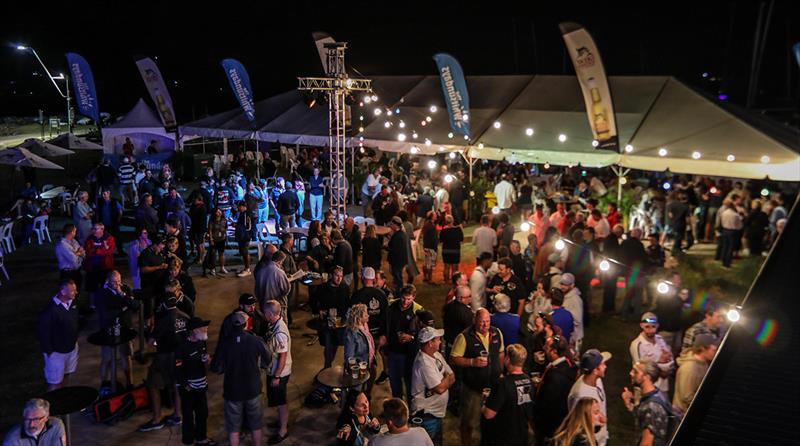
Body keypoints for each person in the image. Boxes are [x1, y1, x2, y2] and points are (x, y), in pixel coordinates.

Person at [211, 311, 270, 446]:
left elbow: (216, 367)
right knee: (256, 425)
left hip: (233, 391)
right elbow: (268, 357)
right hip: (253, 389)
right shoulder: (255, 340)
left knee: (233, 429)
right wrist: (261, 367)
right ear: (246, 325)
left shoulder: (225, 343)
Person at [450, 308, 505, 446]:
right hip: (473, 389)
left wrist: (501, 371)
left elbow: (501, 353)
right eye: (481, 322)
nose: (485, 325)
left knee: (490, 421)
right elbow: (454, 358)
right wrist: (471, 362)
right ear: (475, 321)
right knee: (468, 422)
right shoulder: (464, 336)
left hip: (493, 387)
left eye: (487, 321)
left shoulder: (496, 333)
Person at [481, 344, 535, 446]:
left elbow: (489, 414)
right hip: (522, 435)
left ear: (508, 359)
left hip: (504, 437)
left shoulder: (503, 384)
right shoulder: (529, 381)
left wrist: (484, 403)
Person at [175, 317, 216, 446]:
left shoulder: (201, 342)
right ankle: (188, 441)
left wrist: (207, 362)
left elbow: (205, 365)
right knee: (188, 416)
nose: (206, 329)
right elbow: (177, 368)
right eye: (203, 327)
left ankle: (201, 438)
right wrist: (186, 386)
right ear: (194, 330)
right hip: (188, 388)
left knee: (202, 414)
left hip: (201, 386)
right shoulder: (182, 347)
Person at [410, 327, 454, 446]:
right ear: (430, 343)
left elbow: (452, 376)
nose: (440, 342)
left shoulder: (437, 355)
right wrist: (446, 379)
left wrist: (444, 381)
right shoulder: (423, 363)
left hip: (436, 412)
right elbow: (439, 389)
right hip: (427, 414)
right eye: (438, 339)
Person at [533, 334, 578, 445]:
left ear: (554, 352)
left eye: (547, 347)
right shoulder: (569, 364)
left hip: (550, 428)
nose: (543, 348)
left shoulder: (555, 376)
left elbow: (546, 406)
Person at [96, 270, 137, 389]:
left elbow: (135, 305)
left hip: (125, 328)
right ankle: (104, 384)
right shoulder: (102, 293)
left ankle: (130, 383)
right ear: (108, 281)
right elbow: (106, 314)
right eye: (114, 282)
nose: (117, 284)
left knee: (126, 355)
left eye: (119, 281)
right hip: (108, 329)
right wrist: (123, 309)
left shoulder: (125, 289)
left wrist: (122, 294)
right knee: (107, 358)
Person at [38, 280, 80, 391]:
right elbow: (43, 333)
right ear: (63, 291)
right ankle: (53, 406)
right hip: (57, 354)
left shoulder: (73, 304)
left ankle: (64, 402)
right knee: (55, 383)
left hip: (71, 349)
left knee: (66, 376)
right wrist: (50, 352)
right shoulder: (50, 311)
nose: (76, 292)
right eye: (72, 291)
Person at [385, 284, 424, 400]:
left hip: (409, 354)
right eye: (403, 298)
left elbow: (425, 334)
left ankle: (412, 411)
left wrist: (411, 337)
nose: (405, 301)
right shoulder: (391, 306)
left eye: (408, 299)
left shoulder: (418, 310)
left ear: (414, 297)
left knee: (411, 383)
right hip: (393, 351)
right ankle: (398, 408)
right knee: (394, 382)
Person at [622, 360, 671, 446]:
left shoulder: (652, 406)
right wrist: (628, 404)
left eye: (636, 372)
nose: (631, 373)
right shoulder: (655, 395)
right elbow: (642, 416)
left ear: (647, 377)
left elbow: (647, 443)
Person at [262, 300, 292, 444]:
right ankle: (281, 421)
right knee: (278, 399)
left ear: (271, 314)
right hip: (274, 369)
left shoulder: (280, 332)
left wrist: (277, 376)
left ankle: (283, 430)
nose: (263, 315)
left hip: (279, 372)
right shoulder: (273, 324)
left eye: (265, 312)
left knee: (281, 401)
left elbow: (283, 356)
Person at [568, 349, 611, 446]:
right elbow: (578, 424)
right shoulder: (580, 394)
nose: (605, 366)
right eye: (603, 364)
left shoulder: (597, 380)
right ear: (595, 370)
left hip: (602, 439)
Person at [312, 266, 350, 368]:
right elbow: (314, 302)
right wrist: (318, 310)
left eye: (341, 276)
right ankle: (327, 367)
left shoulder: (345, 288)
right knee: (328, 346)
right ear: (331, 275)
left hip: (339, 322)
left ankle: (327, 367)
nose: (339, 278)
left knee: (335, 345)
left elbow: (347, 305)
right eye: (337, 275)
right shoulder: (322, 288)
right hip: (326, 322)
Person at [630, 312, 675, 394]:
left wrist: (668, 359)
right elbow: (639, 369)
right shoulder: (637, 345)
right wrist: (660, 362)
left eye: (653, 326)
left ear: (657, 325)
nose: (650, 330)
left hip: (663, 387)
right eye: (647, 327)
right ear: (641, 326)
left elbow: (668, 357)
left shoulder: (660, 338)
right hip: (647, 389)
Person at [344, 303, 377, 395]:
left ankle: (367, 398)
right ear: (359, 318)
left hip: (368, 361)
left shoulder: (364, 326)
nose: (368, 315)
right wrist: (356, 371)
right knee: (356, 391)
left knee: (371, 378)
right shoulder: (352, 333)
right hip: (359, 366)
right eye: (366, 314)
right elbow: (349, 356)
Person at [254, 251, 291, 322]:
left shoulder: (260, 271)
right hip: (277, 305)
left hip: (264, 304)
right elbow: (286, 289)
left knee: (266, 323)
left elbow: (257, 290)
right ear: (280, 261)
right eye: (282, 262)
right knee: (279, 324)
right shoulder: (279, 272)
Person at [55, 224, 85, 299]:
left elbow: (84, 254)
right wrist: (78, 253)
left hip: (77, 271)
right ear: (71, 232)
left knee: (76, 293)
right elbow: (73, 260)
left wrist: (77, 254)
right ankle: (69, 309)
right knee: (68, 294)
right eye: (75, 231)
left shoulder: (73, 241)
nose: (76, 233)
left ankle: (74, 308)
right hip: (68, 274)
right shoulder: (62, 245)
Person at [560, 273, 584, 352]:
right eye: (562, 284)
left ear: (572, 285)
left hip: (574, 338)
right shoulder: (566, 296)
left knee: (574, 360)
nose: (563, 286)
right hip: (568, 336)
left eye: (566, 284)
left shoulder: (575, 299)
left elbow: (577, 320)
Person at [387, 216, 410, 295]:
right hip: (401, 260)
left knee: (398, 277)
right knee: (398, 276)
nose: (390, 226)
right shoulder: (402, 234)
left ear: (395, 225)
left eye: (392, 224)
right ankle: (398, 291)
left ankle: (399, 292)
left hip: (397, 261)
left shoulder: (397, 236)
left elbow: (394, 249)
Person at [439, 215, 464, 283]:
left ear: (446, 222)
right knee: (455, 267)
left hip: (446, 250)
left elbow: (441, 241)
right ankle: (454, 281)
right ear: (453, 221)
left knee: (446, 266)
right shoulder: (458, 229)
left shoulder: (443, 231)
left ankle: (446, 280)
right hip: (455, 250)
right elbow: (461, 239)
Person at [420, 211, 439, 283]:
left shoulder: (427, 224)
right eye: (435, 215)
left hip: (427, 246)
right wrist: (435, 247)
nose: (436, 216)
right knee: (429, 264)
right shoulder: (431, 226)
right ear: (431, 216)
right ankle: (429, 279)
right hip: (430, 247)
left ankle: (425, 277)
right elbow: (433, 238)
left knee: (426, 262)